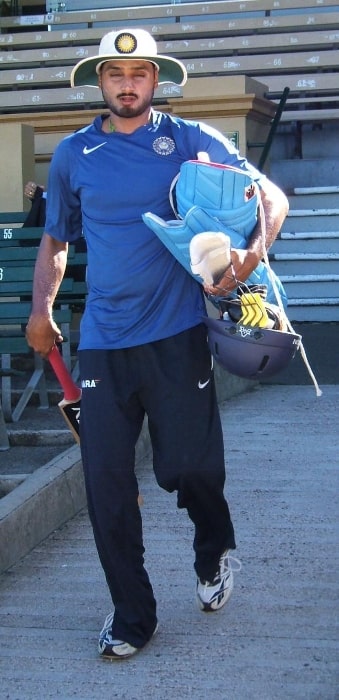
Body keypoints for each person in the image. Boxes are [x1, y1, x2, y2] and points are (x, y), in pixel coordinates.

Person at [26, 28, 289, 660]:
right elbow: (56, 241)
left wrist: (248, 261)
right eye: (115, 75)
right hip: (104, 345)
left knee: (187, 469)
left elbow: (271, 198)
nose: (127, 84)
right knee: (107, 484)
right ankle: (131, 616)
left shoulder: (191, 141)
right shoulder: (73, 154)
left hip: (175, 337)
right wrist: (41, 308)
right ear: (99, 83)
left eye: (138, 73)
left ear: (155, 81)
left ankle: (213, 548)